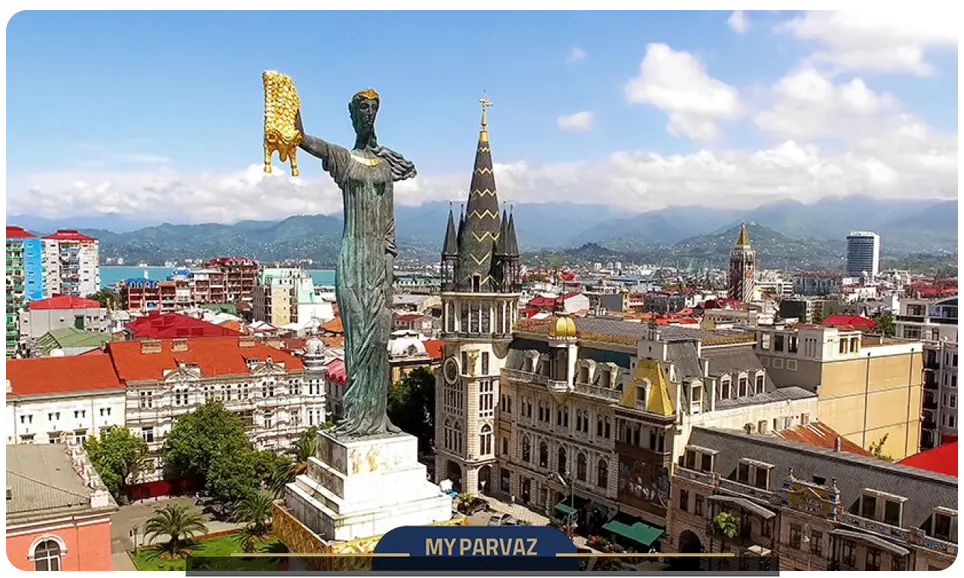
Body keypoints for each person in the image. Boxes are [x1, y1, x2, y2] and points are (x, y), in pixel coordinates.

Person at [295, 89, 417, 438]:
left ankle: (377, 417)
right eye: (361, 108)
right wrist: (290, 104)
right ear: (352, 115)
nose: (368, 113)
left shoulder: (384, 165)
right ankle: (357, 417)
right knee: (357, 338)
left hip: (380, 258)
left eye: (373, 108)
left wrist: (390, 259)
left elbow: (389, 219)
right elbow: (302, 139)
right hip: (353, 257)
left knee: (379, 340)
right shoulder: (343, 158)